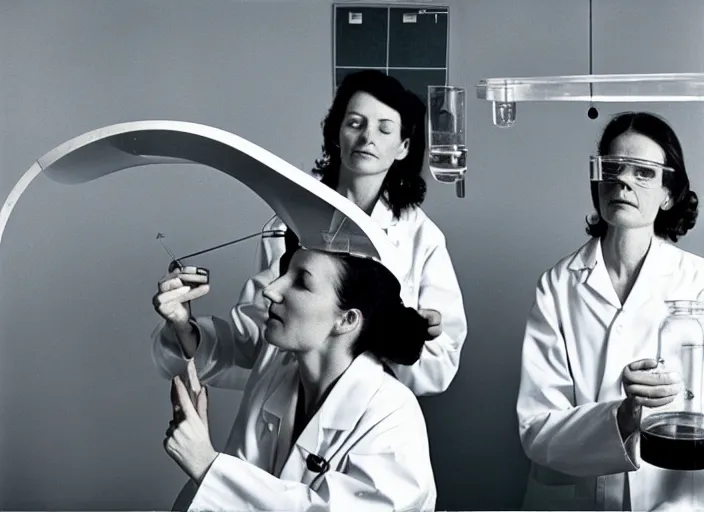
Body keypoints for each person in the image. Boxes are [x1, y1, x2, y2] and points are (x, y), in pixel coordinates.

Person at [151, 69, 467, 396]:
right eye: (355, 123)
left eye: (384, 128)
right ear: (336, 134)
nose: (367, 137)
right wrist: (182, 325)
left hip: (370, 407)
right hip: (287, 405)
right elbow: (252, 339)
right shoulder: (286, 225)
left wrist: (407, 334)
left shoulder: (422, 238)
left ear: (402, 147)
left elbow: (440, 365)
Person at [154, 245, 437, 511]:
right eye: (283, 273)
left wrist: (206, 466)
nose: (271, 290)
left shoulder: (393, 417)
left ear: (347, 320)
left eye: (301, 282)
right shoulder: (278, 366)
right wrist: (181, 325)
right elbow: (227, 353)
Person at [516, 111, 704, 511]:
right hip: (573, 500)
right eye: (613, 168)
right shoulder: (557, 285)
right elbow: (536, 428)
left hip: (674, 498)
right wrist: (623, 415)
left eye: (644, 173)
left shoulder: (698, 282)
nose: (623, 180)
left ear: (668, 194)